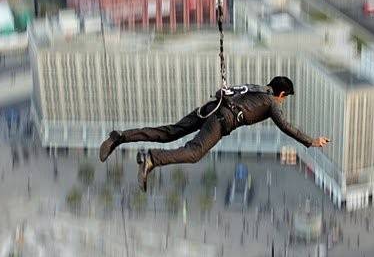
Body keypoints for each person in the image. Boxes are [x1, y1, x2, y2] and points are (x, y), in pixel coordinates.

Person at [99, 76, 330, 191]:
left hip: (212, 108)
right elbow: (286, 126)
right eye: (284, 98)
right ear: (282, 94)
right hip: (221, 120)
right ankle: (151, 158)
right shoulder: (271, 102)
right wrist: (312, 141)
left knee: (170, 132)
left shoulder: (256, 88)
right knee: (193, 153)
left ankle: (119, 137)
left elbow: (226, 91)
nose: (283, 102)